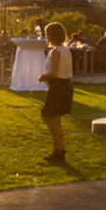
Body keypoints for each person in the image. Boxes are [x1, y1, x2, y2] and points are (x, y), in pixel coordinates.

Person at [38, 21, 73, 163]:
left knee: (48, 116)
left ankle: (59, 148)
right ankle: (58, 149)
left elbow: (53, 72)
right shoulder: (66, 50)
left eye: (46, 34)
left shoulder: (56, 51)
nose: (45, 37)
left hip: (58, 86)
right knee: (53, 118)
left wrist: (43, 76)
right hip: (64, 85)